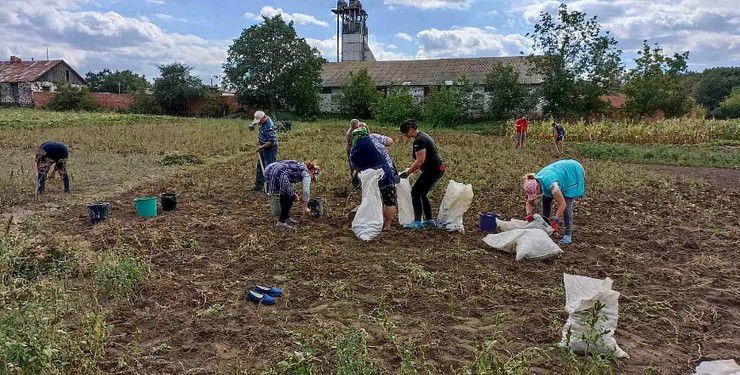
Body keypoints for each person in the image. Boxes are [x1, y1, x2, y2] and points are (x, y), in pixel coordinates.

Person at [523, 159, 585, 244]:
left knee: (567, 205)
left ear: (538, 187)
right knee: (546, 199)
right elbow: (529, 202)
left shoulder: (551, 185)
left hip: (572, 173)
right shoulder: (533, 182)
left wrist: (555, 221)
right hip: (560, 172)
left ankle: (568, 235)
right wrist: (529, 214)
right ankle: (546, 225)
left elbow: (562, 204)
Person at [398, 119, 445, 230]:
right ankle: (429, 220)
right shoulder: (423, 135)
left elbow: (420, 161)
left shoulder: (419, 140)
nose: (404, 135)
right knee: (422, 193)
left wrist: (407, 173)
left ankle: (418, 222)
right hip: (438, 168)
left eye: (405, 132)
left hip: (433, 170)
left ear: (410, 130)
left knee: (415, 192)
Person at [350, 127, 398, 230]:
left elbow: (355, 166)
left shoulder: (354, 151)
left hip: (369, 178)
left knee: (370, 199)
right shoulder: (373, 138)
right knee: (389, 200)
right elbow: (390, 141)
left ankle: (371, 221)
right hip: (386, 173)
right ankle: (387, 225)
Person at [264, 160, 321, 230]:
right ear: (312, 171)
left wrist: (293, 193)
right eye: (313, 178)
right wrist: (305, 206)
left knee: (285, 194)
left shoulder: (301, 165)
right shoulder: (307, 174)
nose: (312, 179)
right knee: (290, 197)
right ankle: (281, 222)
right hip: (279, 173)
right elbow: (306, 191)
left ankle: (286, 217)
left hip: (269, 169)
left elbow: (287, 171)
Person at [249, 110, 278, 192]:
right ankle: (258, 186)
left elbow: (272, 141)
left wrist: (262, 147)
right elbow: (256, 122)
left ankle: (270, 188)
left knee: (269, 168)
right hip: (263, 146)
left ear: (264, 118)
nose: (258, 123)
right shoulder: (262, 119)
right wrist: (252, 125)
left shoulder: (269, 126)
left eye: (259, 121)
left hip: (270, 148)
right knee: (260, 167)